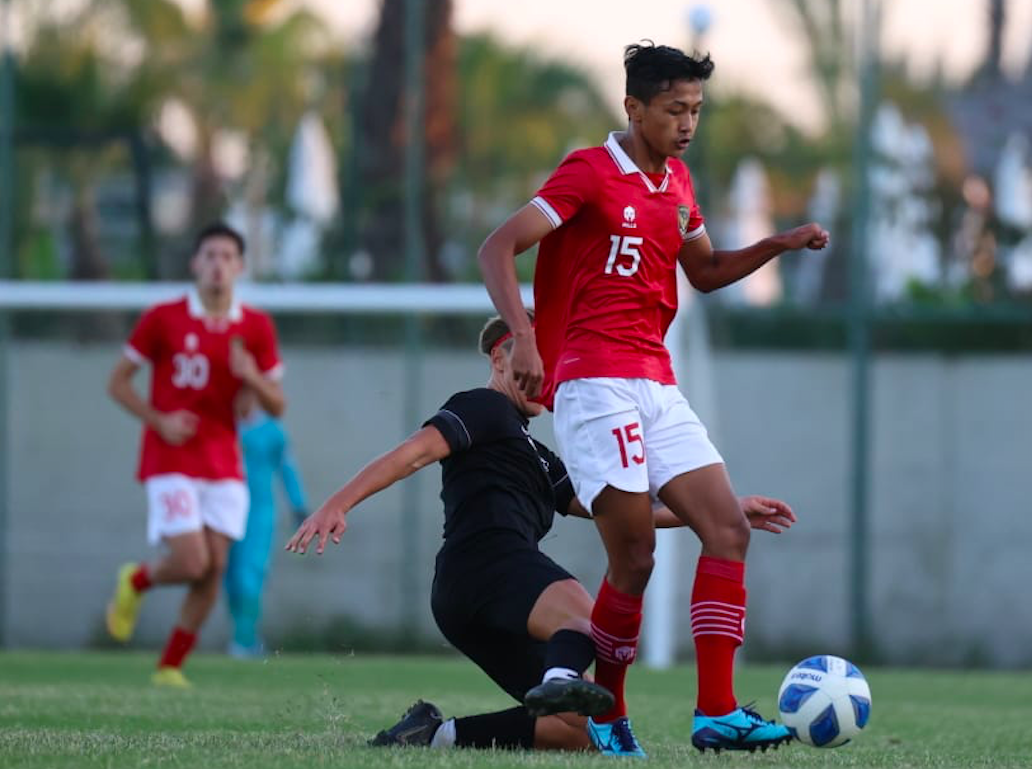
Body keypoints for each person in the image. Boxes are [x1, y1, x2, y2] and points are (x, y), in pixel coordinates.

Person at [475, 42, 829, 754]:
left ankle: (716, 713)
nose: (687, 122)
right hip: (593, 384)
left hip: (656, 382)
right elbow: (496, 246)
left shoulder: (678, 185)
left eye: (695, 109)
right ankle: (607, 710)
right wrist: (527, 336)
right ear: (633, 107)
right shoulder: (588, 172)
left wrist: (777, 243)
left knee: (725, 528)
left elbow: (702, 271)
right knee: (634, 559)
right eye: (674, 109)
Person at [284, 316, 797, 754]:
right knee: (583, 616)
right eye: (529, 354)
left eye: (550, 360)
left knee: (578, 728)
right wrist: (338, 502)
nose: (541, 371)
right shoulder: (481, 408)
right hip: (483, 563)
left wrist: (718, 512)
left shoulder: (538, 454)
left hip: (469, 599)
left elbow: (627, 514)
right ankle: (560, 679)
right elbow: (414, 452)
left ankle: (435, 735)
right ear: (499, 358)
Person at [104, 222, 286, 687]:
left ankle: (169, 667)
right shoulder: (163, 317)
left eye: (227, 256)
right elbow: (118, 382)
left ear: (240, 267)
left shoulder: (256, 327)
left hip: (224, 462)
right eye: (209, 255)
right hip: (170, 459)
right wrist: (159, 419)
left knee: (216, 568)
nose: (218, 264)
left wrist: (252, 376)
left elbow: (277, 405)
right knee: (191, 561)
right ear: (195, 263)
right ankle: (137, 581)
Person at [224, 396, 309, 658]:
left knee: (251, 576)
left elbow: (287, 469)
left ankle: (242, 641)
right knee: (229, 579)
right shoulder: (223, 426)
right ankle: (246, 637)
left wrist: (299, 507)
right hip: (224, 512)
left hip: (258, 515)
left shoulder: (272, 431)